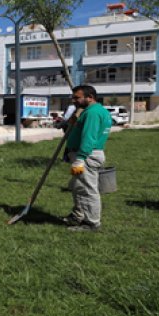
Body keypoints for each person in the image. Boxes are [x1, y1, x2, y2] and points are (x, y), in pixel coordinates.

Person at [63, 85, 111, 232]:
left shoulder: (93, 113)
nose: (74, 100)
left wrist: (81, 158)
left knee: (88, 190)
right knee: (78, 188)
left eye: (77, 97)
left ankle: (92, 223)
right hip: (83, 154)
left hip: (87, 156)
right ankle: (78, 216)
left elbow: (89, 137)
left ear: (90, 97)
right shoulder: (91, 111)